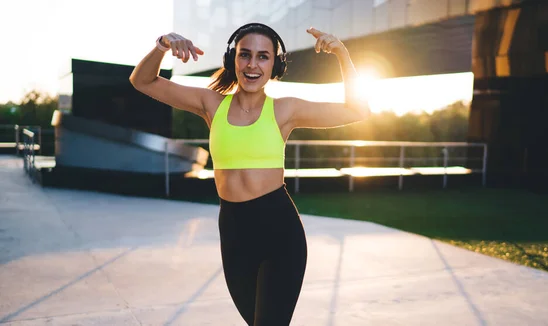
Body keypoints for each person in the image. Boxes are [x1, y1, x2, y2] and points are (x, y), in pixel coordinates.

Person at [130, 22, 370, 326]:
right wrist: (163, 45)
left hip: (280, 233)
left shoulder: (285, 110)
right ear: (233, 59)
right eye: (245, 55)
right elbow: (143, 81)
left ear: (275, 64)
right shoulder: (211, 104)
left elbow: (356, 110)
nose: (252, 65)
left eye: (263, 57)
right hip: (233, 233)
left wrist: (342, 54)